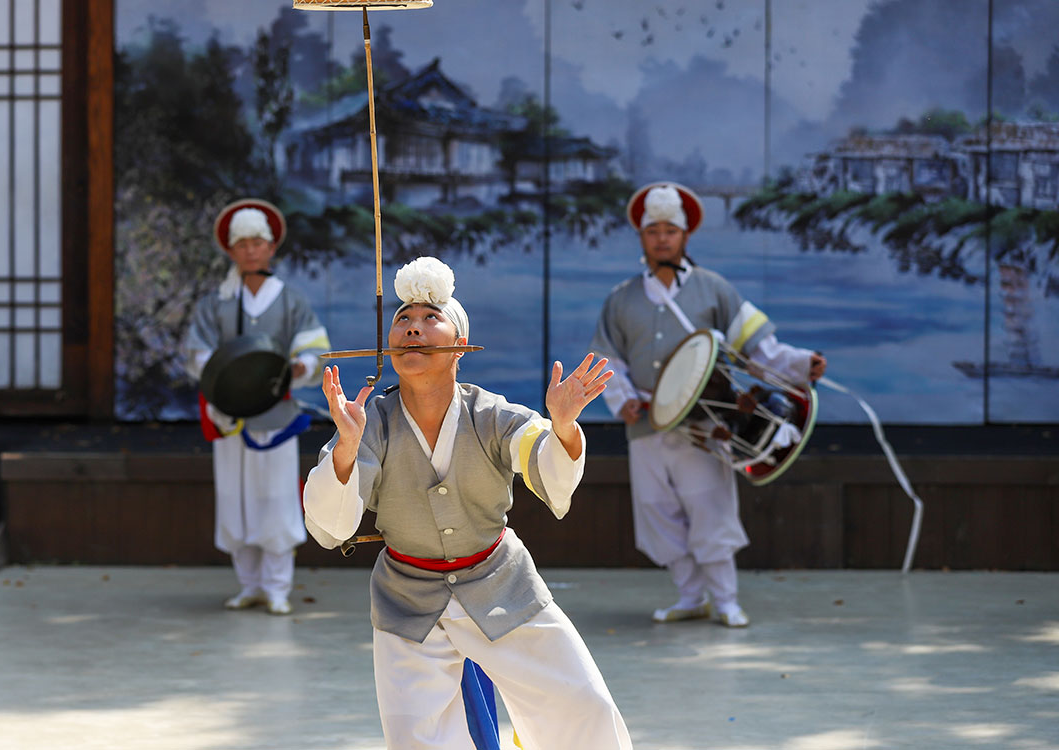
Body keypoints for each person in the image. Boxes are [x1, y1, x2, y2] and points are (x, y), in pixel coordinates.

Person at [304, 256, 633, 749]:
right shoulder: (369, 422)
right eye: (403, 320)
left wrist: (563, 427)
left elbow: (540, 457)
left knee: (582, 707)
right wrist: (346, 449)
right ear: (390, 345)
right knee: (419, 738)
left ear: (460, 345)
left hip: (501, 581)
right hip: (407, 600)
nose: (413, 328)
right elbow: (330, 525)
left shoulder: (491, 414)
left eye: (429, 319)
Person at [591, 181, 827, 628]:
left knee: (709, 508)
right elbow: (608, 360)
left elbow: (759, 349)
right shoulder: (621, 299)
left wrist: (801, 365)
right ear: (642, 237)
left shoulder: (714, 289)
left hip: (705, 423)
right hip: (645, 424)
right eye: (653, 230)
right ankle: (690, 595)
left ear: (685, 236)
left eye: (670, 230)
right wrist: (620, 401)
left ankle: (726, 599)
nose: (662, 238)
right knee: (657, 514)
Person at [183, 199, 329, 616]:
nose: (250, 250)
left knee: (276, 496)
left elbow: (314, 346)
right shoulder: (216, 302)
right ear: (231, 250)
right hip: (229, 415)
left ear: (271, 248)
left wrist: (301, 364)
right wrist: (219, 379)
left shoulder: (290, 300)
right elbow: (198, 351)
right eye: (242, 243)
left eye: (258, 242)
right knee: (235, 495)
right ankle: (248, 584)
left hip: (274, 412)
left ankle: (277, 587)